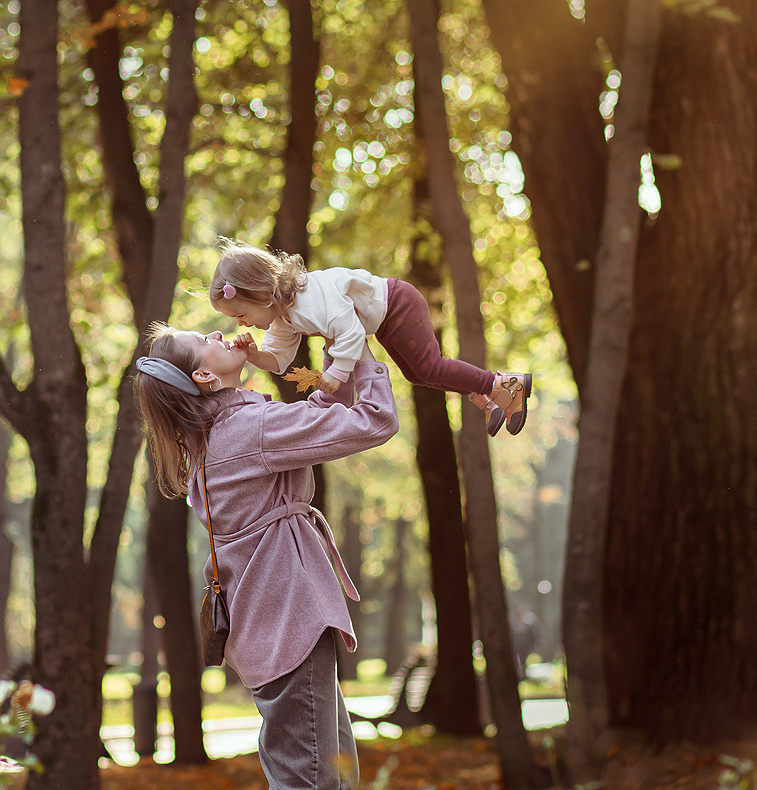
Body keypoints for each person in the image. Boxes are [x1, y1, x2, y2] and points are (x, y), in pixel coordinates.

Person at [133, 322, 400, 790]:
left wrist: (338, 356)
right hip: (290, 623)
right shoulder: (249, 430)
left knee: (329, 777)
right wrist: (361, 354)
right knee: (312, 780)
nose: (218, 334)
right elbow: (375, 420)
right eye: (205, 342)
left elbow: (316, 420)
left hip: (276, 626)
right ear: (204, 378)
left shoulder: (223, 433)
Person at [208, 240, 532, 436]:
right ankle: (488, 396)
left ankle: (504, 385)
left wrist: (337, 374)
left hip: (397, 304)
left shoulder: (307, 300)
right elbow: (279, 361)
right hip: (385, 320)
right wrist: (252, 355)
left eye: (240, 314)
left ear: (262, 293)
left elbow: (349, 329)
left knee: (429, 367)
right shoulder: (282, 317)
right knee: (418, 375)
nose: (242, 323)